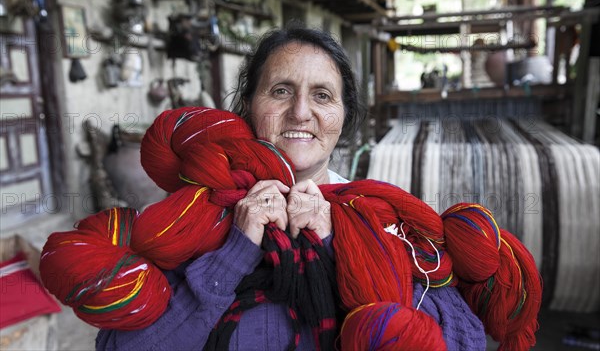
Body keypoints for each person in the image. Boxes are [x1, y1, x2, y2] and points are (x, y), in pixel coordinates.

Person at [96, 26, 486, 350]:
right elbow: (120, 345)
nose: (301, 111)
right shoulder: (191, 218)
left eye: (322, 95)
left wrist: (342, 243)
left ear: (343, 114)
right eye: (281, 90)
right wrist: (235, 252)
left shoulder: (384, 217)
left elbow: (466, 339)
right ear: (247, 105)